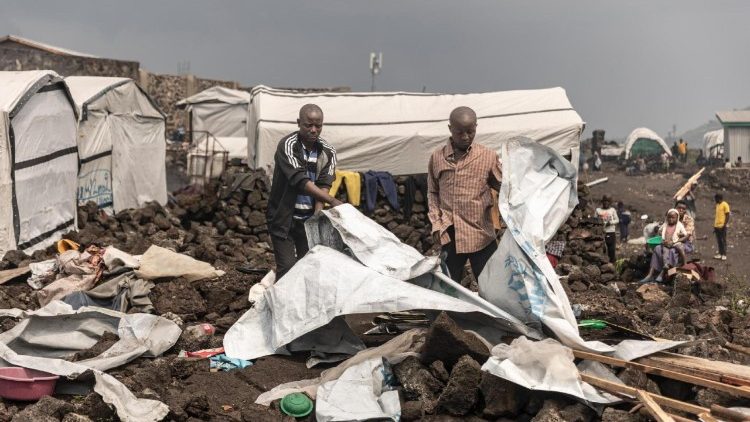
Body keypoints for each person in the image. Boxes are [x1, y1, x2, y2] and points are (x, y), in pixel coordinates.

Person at [266, 104, 343, 280]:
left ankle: (301, 306)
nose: (314, 130)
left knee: (306, 266)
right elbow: (300, 181)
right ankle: (282, 305)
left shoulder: (328, 152)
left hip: (307, 220)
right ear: (299, 123)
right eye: (309, 125)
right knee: (287, 267)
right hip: (283, 217)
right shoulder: (288, 146)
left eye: (318, 126)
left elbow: (324, 182)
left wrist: (317, 213)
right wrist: (332, 201)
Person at [428, 106, 502, 282]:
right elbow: (432, 192)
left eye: (470, 131)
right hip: (450, 234)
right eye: (459, 132)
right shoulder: (437, 158)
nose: (465, 137)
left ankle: (490, 310)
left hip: (480, 234)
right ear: (450, 129)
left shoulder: (488, 157)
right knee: (447, 286)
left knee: (492, 285)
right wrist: (436, 223)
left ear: (476, 127)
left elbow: (506, 188)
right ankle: (446, 311)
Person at [640, 209, 689, 283]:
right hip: (665, 243)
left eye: (673, 218)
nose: (671, 219)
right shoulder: (665, 224)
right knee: (658, 248)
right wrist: (662, 237)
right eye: (669, 217)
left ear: (677, 218)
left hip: (675, 243)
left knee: (676, 249)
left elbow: (686, 235)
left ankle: (683, 265)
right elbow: (660, 231)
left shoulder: (679, 225)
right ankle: (651, 274)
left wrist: (678, 239)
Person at [596, 196, 619, 263]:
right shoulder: (598, 210)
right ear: (602, 202)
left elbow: (617, 220)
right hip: (601, 233)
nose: (606, 203)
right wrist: (599, 223)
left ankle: (612, 265)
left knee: (611, 250)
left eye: (607, 201)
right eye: (604, 201)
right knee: (602, 249)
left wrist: (610, 222)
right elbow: (594, 220)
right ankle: (603, 264)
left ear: (610, 203)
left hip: (611, 232)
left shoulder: (612, 210)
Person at [713, 194, 730, 260]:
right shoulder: (717, 205)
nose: (715, 200)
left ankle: (724, 254)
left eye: (715, 199)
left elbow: (727, 215)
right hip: (717, 226)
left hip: (722, 226)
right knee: (719, 241)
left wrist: (724, 225)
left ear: (718, 198)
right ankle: (720, 253)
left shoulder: (725, 204)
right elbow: (717, 216)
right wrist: (715, 226)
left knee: (723, 240)